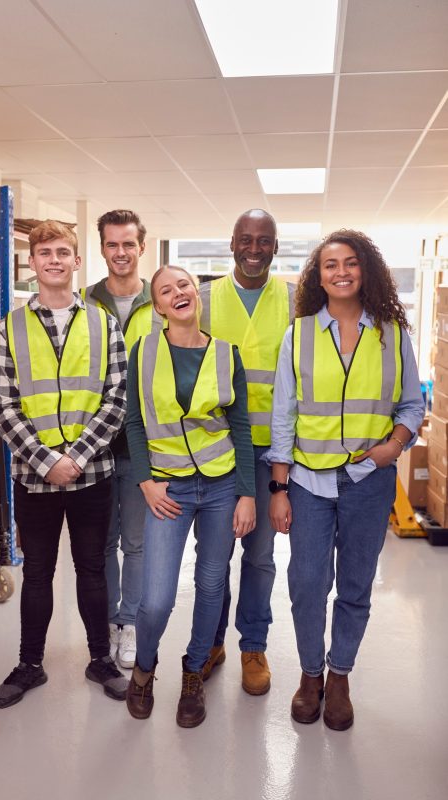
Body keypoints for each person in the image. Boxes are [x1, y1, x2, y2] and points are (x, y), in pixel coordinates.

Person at [267, 229, 424, 730]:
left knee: (356, 587)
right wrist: (277, 487)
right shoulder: (299, 334)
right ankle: (310, 674)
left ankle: (339, 676)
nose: (340, 272)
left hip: (368, 481)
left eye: (350, 263)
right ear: (318, 275)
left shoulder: (393, 334)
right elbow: (283, 414)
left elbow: (411, 404)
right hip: (309, 482)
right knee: (307, 584)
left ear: (366, 271)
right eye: (330, 264)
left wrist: (393, 447)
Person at [0, 220, 129, 708]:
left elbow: (116, 400)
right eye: (44, 252)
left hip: (91, 475)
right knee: (39, 574)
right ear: (32, 263)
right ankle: (30, 665)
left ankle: (100, 660)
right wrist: (47, 460)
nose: (53, 260)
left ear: (76, 261)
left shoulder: (104, 324)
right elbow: (3, 407)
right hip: (34, 476)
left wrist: (78, 457)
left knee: (92, 569)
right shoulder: (8, 329)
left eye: (62, 252)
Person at [124, 266, 256, 727]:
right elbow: (135, 422)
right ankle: (144, 667)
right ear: (158, 306)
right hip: (168, 488)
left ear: (194, 296)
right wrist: (145, 481)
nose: (178, 293)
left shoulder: (225, 354)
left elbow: (240, 425)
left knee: (212, 584)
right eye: (166, 290)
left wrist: (247, 493)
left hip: (221, 486)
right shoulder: (142, 352)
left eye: (183, 285)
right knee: (156, 598)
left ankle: (194, 671)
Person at [198, 208, 294, 695]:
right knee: (214, 555)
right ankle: (211, 641)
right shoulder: (204, 298)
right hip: (216, 448)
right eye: (246, 240)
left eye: (264, 241)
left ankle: (252, 646)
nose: (254, 250)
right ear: (231, 243)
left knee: (259, 557)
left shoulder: (295, 299)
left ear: (275, 246)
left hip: (269, 452)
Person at [82, 209, 162, 669]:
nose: (120, 252)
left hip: (143, 446)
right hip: (94, 445)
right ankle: (108, 623)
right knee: (100, 542)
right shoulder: (84, 302)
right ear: (102, 249)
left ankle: (129, 623)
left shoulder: (162, 300)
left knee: (135, 542)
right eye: (112, 244)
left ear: (141, 247)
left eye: (128, 244)